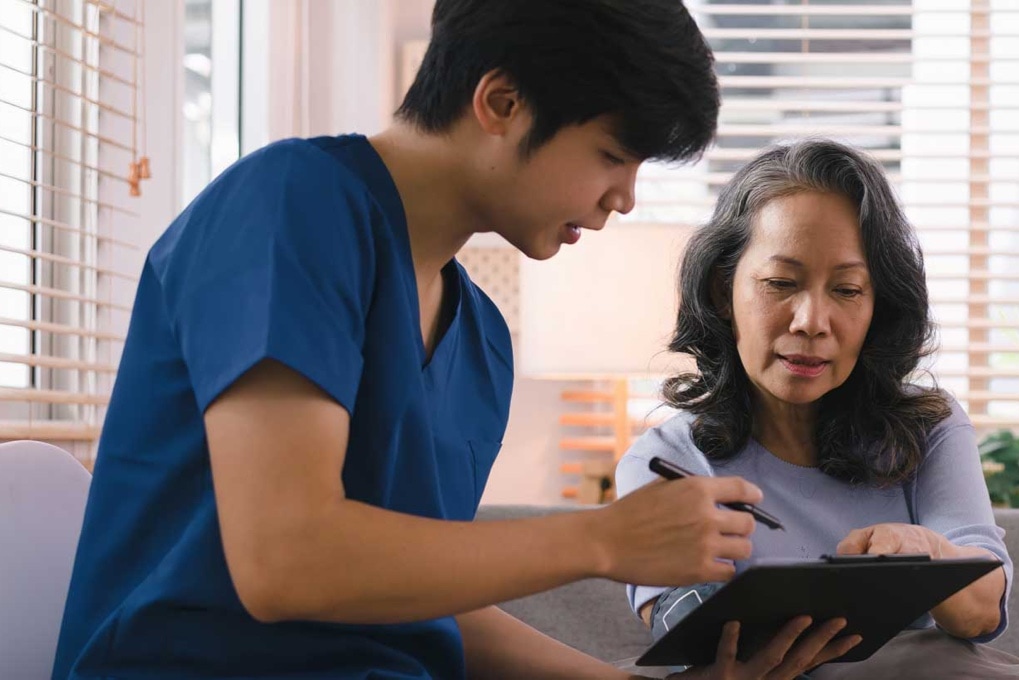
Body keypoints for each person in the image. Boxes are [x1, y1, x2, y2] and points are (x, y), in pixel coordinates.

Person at [50, 2, 861, 679]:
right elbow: (286, 563)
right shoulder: (291, 207)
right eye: (612, 155)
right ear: (501, 104)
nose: (622, 197)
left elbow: (414, 596)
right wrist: (604, 539)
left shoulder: (481, 338)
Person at [616, 140, 1019, 679]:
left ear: (878, 306)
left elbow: (979, 612)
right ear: (723, 290)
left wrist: (924, 551)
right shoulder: (665, 460)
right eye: (780, 284)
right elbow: (685, 631)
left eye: (848, 290)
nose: (812, 321)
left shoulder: (929, 426)